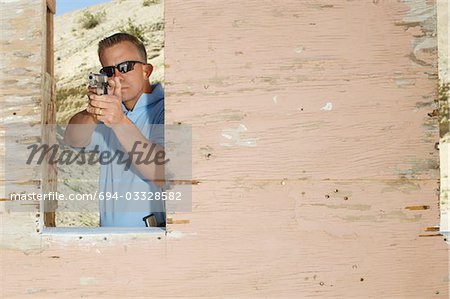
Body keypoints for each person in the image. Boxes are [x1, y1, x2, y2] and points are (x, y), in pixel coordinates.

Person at [64, 33, 165, 227]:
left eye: (125, 67)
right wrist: (94, 111)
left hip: (151, 243)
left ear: (146, 71)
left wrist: (119, 121)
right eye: (109, 70)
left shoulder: (167, 109)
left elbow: (161, 172)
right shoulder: (110, 112)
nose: (117, 77)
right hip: (108, 240)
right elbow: (72, 139)